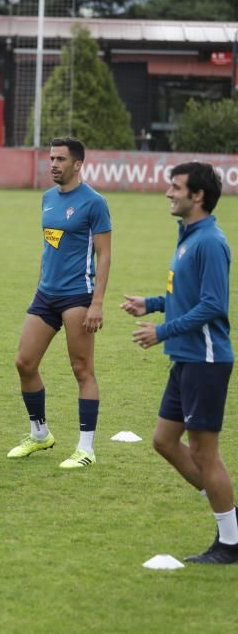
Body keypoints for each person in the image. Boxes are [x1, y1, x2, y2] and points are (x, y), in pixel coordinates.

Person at [121, 161, 237, 564]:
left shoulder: (210, 241)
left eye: (176, 186)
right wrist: (150, 305)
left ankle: (230, 542)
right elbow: (186, 296)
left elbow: (212, 306)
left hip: (205, 359)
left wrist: (161, 331)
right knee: (164, 441)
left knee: (206, 454)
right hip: (186, 358)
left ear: (197, 195)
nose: (169, 192)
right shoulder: (188, 235)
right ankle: (230, 514)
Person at [7, 136, 111, 469]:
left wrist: (97, 302)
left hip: (78, 296)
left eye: (60, 159)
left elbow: (104, 254)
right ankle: (40, 435)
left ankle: (86, 449)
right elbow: (49, 245)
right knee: (24, 362)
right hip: (47, 295)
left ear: (78, 163)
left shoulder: (94, 202)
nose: (53, 164)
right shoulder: (48, 198)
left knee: (82, 370)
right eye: (51, 158)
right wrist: (40, 284)